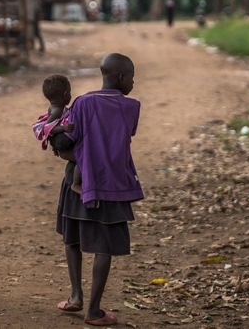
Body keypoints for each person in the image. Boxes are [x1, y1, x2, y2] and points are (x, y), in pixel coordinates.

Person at [50, 53, 144, 326]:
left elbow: (67, 141)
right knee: (104, 248)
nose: (134, 83)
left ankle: (75, 295)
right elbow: (125, 133)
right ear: (122, 78)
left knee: (72, 238)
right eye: (133, 77)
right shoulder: (132, 107)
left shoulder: (82, 102)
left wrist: (55, 136)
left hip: (78, 181)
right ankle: (93, 310)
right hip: (112, 185)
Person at [32, 74, 82, 192]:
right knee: (82, 159)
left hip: (59, 139)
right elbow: (47, 128)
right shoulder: (57, 110)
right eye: (69, 92)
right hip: (61, 137)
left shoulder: (56, 107)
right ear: (65, 94)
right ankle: (76, 184)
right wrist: (63, 129)